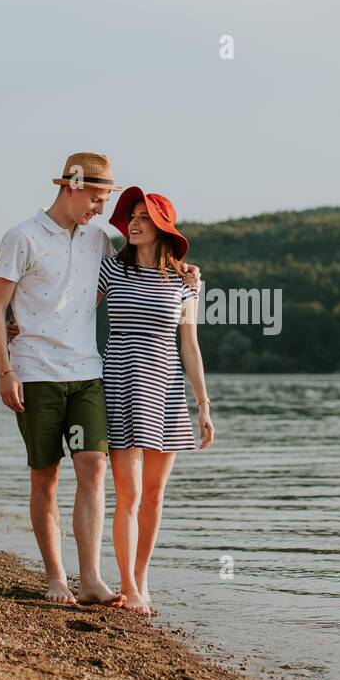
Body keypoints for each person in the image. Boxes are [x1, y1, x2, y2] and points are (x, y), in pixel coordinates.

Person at [0, 153, 197, 606]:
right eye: (98, 198)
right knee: (45, 478)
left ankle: (93, 579)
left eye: (105, 201)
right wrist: (6, 370)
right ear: (71, 186)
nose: (102, 209)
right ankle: (56, 578)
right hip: (34, 373)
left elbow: (134, 278)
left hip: (88, 374)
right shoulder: (21, 237)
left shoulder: (98, 240)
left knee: (94, 469)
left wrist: (186, 272)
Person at [98, 186, 214, 616]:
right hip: (120, 386)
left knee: (153, 495)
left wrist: (203, 404)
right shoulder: (110, 271)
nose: (133, 222)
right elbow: (71, 313)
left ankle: (142, 577)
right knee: (125, 495)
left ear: (162, 228)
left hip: (165, 392)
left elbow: (191, 347)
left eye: (144, 217)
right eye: (131, 215)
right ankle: (127, 584)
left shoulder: (186, 283)